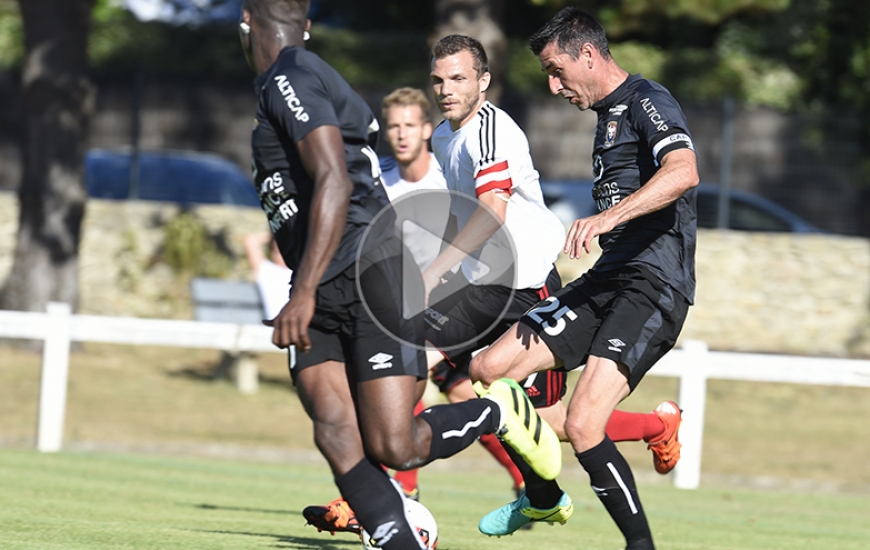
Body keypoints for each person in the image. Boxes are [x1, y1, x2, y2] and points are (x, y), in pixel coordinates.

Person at [237, 2, 560, 549]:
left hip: (499, 282)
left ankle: (488, 424)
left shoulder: (289, 77)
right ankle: (399, 506)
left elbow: (485, 216)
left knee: (567, 422)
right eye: (438, 80)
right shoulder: (442, 140)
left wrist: (427, 274)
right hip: (418, 279)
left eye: (456, 78)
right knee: (359, 428)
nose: (444, 89)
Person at [469, 8, 699, 549]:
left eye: (556, 70)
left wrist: (608, 218)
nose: (553, 86)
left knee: (583, 424)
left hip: (653, 284)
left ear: (588, 55)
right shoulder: (606, 116)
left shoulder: (647, 99)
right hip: (606, 279)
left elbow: (684, 171)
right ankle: (543, 495)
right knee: (488, 366)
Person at [243, 232, 292, 320]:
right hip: (277, 326)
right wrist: (277, 235)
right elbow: (250, 241)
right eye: (277, 251)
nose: (282, 256)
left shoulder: (301, 270)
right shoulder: (267, 271)